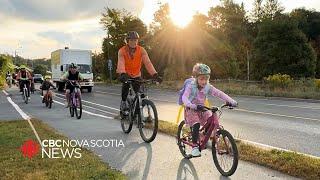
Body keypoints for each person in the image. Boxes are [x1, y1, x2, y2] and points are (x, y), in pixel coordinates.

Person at [181, 63, 238, 157]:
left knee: (211, 118)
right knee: (196, 124)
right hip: (191, 108)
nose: (204, 81)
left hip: (202, 108)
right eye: (201, 79)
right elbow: (184, 97)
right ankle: (195, 147)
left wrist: (231, 101)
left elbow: (219, 93)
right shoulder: (191, 86)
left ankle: (203, 135)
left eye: (206, 78)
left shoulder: (207, 87)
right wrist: (192, 105)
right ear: (196, 78)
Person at [116, 31, 162, 115]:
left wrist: (154, 74)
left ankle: (138, 113)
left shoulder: (141, 50)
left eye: (135, 40)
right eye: (132, 40)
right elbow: (121, 63)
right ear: (127, 41)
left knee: (141, 95)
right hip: (126, 75)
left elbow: (147, 63)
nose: (134, 42)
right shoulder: (122, 51)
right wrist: (122, 73)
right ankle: (123, 103)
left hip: (137, 75)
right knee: (125, 87)